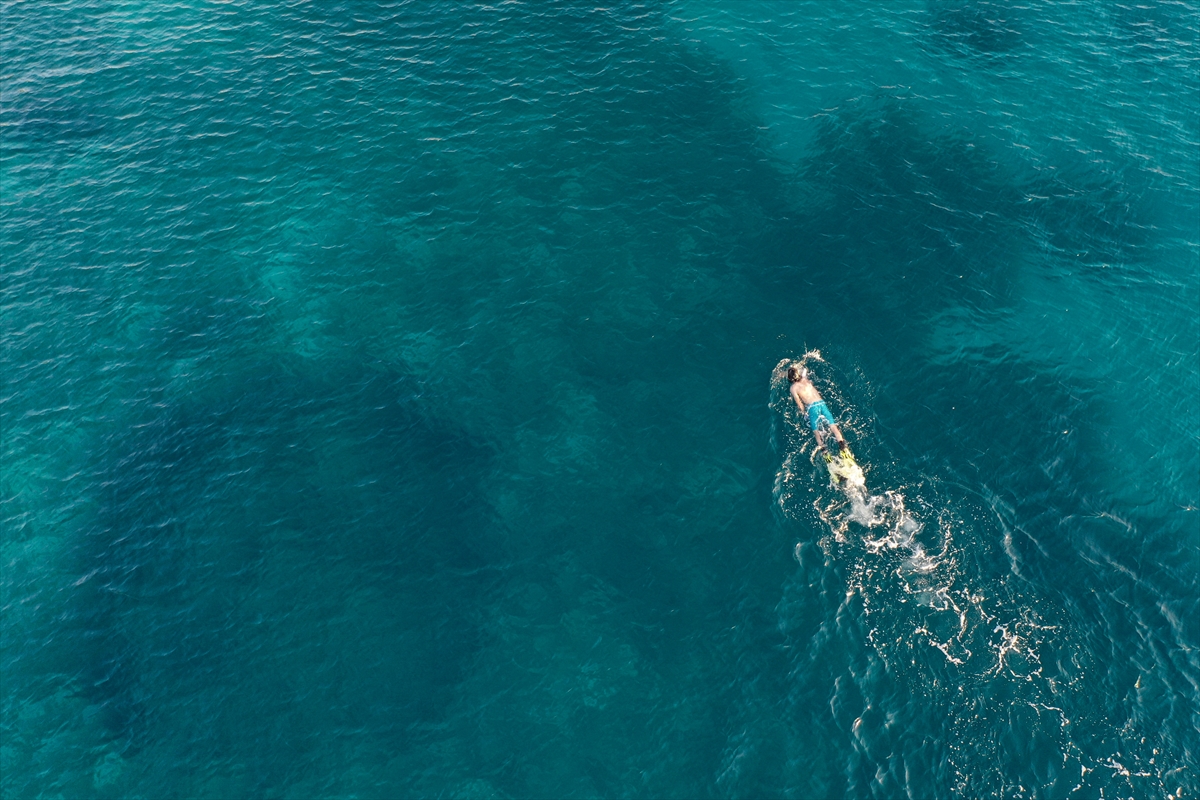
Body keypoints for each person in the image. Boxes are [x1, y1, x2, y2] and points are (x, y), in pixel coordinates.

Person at [788, 364, 850, 454]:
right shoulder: (805, 379)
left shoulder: (793, 388)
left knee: (816, 432)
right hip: (822, 404)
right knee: (833, 427)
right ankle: (842, 446)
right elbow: (804, 371)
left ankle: (825, 453)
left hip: (812, 408)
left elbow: (799, 403)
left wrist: (804, 413)